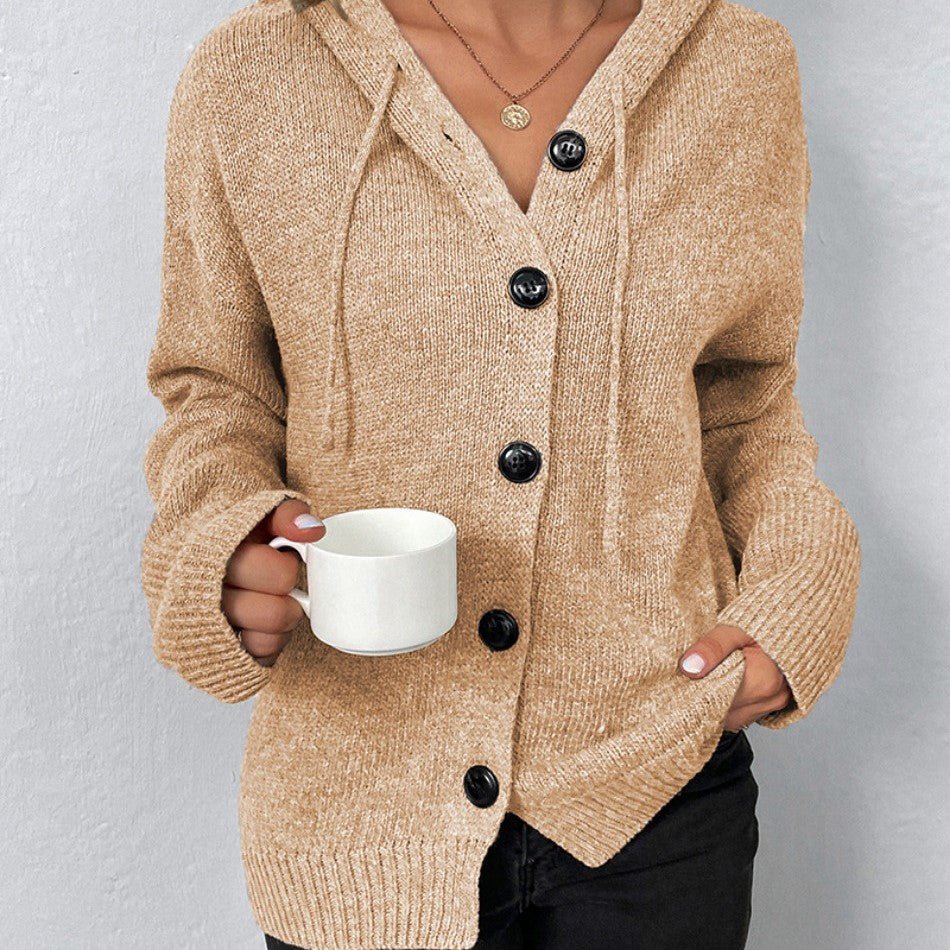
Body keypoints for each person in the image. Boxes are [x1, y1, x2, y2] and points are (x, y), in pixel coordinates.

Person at [140, 0, 862, 947]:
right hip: (358, 800)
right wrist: (224, 543)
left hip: (657, 789)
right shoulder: (253, 72)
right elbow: (216, 392)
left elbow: (744, 398)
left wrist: (798, 590)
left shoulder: (736, 65)